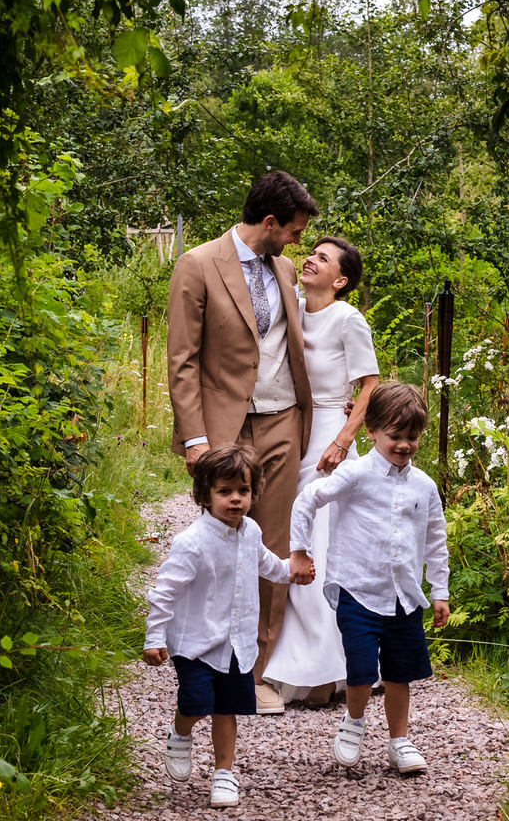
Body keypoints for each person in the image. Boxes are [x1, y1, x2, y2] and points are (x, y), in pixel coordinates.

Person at [167, 170, 317, 715]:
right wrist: (195, 439)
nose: (299, 241)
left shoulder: (285, 269)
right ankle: (200, 653)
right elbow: (181, 360)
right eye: (295, 230)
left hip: (282, 420)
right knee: (214, 549)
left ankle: (258, 672)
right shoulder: (198, 264)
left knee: (272, 544)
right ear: (270, 222)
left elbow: (294, 343)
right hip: (224, 428)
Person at [287, 382, 451, 774]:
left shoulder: (424, 486)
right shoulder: (355, 475)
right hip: (357, 591)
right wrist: (299, 550)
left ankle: (400, 741)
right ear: (372, 430)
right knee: (361, 670)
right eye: (396, 436)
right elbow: (308, 499)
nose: (404, 445)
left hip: (403, 596)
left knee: (399, 674)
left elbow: (435, 540)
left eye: (412, 437)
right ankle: (354, 722)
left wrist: (440, 590)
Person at [142, 445, 315, 808]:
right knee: (196, 703)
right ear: (205, 495)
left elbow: (266, 564)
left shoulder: (250, 530)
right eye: (224, 492)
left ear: (254, 493)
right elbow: (164, 592)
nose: (235, 499)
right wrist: (155, 636)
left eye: (243, 491)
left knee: (226, 709)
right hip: (197, 643)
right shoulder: (191, 543)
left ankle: (224, 773)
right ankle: (180, 732)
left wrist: (291, 572)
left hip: (237, 644)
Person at [262, 236, 380, 706]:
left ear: (341, 280)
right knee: (292, 529)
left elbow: (370, 382)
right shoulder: (291, 303)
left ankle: (330, 665)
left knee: (321, 540)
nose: (310, 258)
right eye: (311, 251)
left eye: (323, 258)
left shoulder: (347, 318)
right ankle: (301, 654)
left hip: (331, 430)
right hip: (295, 425)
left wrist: (343, 440)